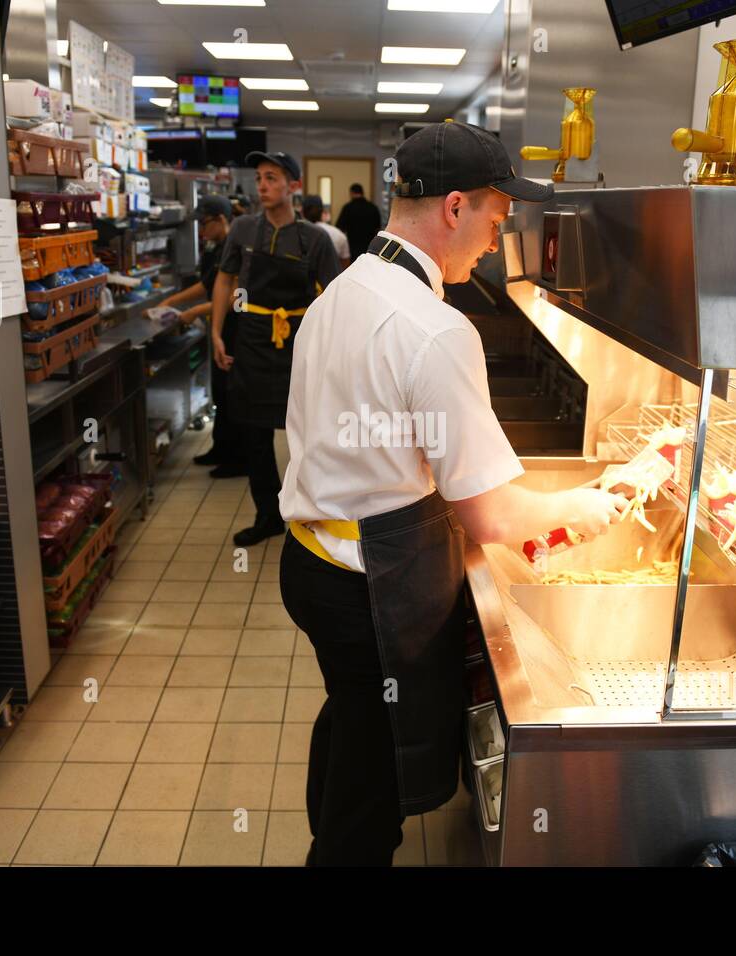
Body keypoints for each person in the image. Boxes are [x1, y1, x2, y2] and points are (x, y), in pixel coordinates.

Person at [278, 121, 630, 866]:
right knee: (372, 799)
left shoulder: (342, 292)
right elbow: (494, 514)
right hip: (367, 587)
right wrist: (587, 503)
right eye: (497, 222)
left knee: (350, 721)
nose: (496, 244)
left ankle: (331, 817)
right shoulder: (435, 329)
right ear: (455, 206)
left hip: (311, 565)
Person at [210, 151, 340, 547]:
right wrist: (216, 332)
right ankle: (267, 514)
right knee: (254, 432)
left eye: (272, 178)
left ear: (293, 186)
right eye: (259, 178)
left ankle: (311, 514)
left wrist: (331, 351)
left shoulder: (315, 239)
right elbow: (224, 279)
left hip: (299, 340)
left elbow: (335, 298)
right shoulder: (243, 230)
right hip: (250, 334)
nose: (262, 186)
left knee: (309, 433)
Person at [155, 195, 247, 475]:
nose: (201, 231)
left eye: (205, 224)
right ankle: (221, 448)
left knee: (232, 392)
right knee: (220, 389)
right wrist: (171, 301)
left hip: (236, 329)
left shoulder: (236, 247)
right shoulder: (216, 248)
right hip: (219, 326)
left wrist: (195, 311)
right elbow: (208, 285)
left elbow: (235, 297)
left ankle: (237, 458)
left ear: (221, 219)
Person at [335, 182, 381, 264]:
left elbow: (340, 228)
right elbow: (378, 229)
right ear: (362, 193)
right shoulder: (373, 207)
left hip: (352, 247)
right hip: (369, 248)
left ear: (351, 193)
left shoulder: (348, 208)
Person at [301, 195, 350, 269]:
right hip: (331, 278)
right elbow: (345, 263)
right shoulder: (338, 235)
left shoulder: (294, 233)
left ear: (302, 211)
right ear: (322, 211)